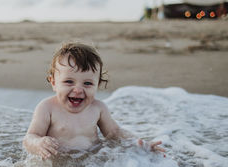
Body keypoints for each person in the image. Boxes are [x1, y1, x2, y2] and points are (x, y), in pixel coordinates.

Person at [23, 42, 165, 160]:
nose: (78, 90)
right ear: (54, 83)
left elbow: (114, 133)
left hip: (90, 163)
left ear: (98, 85)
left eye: (87, 84)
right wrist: (38, 143)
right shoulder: (47, 108)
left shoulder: (98, 108)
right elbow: (29, 137)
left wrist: (139, 143)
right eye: (69, 81)